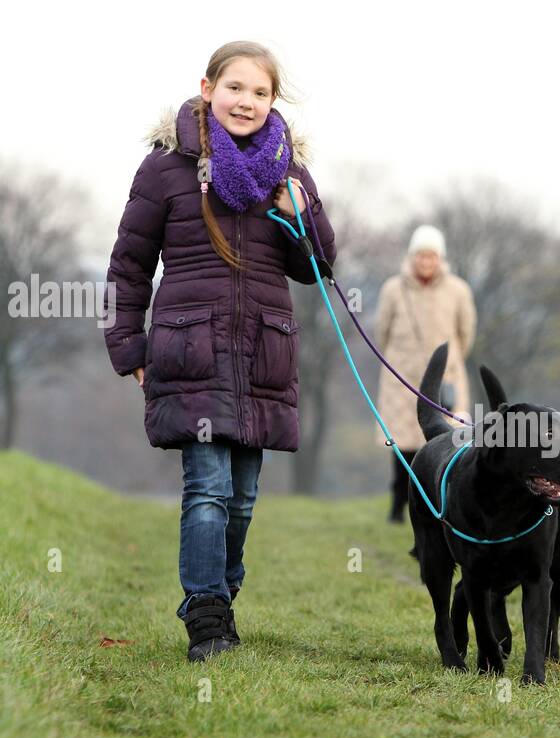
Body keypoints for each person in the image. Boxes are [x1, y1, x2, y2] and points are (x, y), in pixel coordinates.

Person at [102, 40, 336, 662]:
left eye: (260, 92)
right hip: (190, 348)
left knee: (243, 497)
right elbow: (127, 266)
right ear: (207, 89)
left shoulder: (290, 173)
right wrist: (129, 345)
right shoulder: (166, 168)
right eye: (236, 88)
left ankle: (220, 595)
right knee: (206, 486)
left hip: (264, 352)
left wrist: (302, 214)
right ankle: (206, 616)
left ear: (272, 101)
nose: (247, 102)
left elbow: (317, 267)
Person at [373, 225, 477, 523]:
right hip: (402, 380)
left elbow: (465, 333)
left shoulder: (458, 290)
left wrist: (451, 362)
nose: (425, 262)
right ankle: (398, 503)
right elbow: (382, 331)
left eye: (431, 256)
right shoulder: (394, 289)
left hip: (446, 379)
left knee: (442, 440)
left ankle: (438, 505)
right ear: (412, 256)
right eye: (421, 256)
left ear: (439, 258)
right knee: (402, 445)